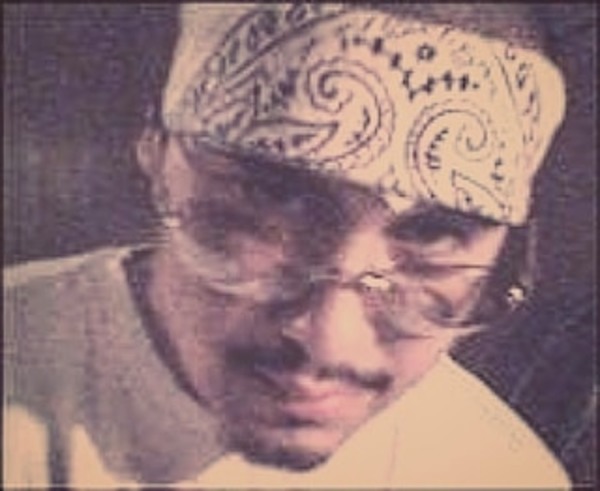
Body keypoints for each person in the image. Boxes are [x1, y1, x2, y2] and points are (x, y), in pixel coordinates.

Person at [4, 3, 572, 488]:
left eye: (432, 234)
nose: (328, 342)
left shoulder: (500, 474)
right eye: (272, 197)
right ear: (156, 149)